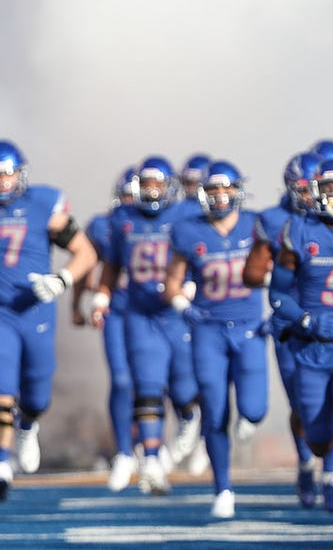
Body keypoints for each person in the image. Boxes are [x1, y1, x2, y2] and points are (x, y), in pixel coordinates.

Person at [0, 140, 97, 501]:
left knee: (37, 391)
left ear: (20, 174)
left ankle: (28, 424)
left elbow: (85, 252)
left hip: (35, 309)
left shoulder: (42, 204)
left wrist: (61, 280)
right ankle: (0, 463)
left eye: (7, 174)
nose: (1, 182)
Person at [164, 160, 267, 518]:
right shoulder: (188, 230)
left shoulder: (257, 224)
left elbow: (282, 270)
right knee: (215, 410)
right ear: (202, 193)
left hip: (250, 327)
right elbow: (172, 283)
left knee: (254, 410)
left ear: (239, 190)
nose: (221, 196)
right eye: (213, 190)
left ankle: (247, 426)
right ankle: (222, 487)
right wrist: (182, 305)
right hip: (208, 330)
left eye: (227, 189)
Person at [93, 156, 202, 495]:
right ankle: (150, 457)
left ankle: (188, 418)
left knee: (184, 389)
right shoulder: (122, 218)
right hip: (140, 313)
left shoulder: (185, 214)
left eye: (158, 184)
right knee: (146, 384)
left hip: (176, 313)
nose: (152, 191)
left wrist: (193, 287)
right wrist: (100, 296)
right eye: (146, 184)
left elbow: (204, 254)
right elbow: (110, 264)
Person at [243, 150, 333, 510]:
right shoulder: (274, 220)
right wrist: (289, 276)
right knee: (304, 405)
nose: (308, 194)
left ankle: (331, 474)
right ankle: (305, 463)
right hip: (292, 325)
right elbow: (251, 275)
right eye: (301, 187)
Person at [272, 157, 333, 550]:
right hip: (311, 350)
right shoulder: (299, 230)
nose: (332, 195)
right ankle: (319, 465)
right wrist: (305, 321)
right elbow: (277, 294)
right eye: (325, 188)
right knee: (321, 439)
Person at [72, 167, 138, 492]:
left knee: (160, 382)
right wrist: (80, 300)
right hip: (117, 309)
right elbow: (87, 262)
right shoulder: (105, 226)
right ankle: (125, 450)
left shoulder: (167, 224)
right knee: (123, 379)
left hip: (155, 313)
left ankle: (153, 446)